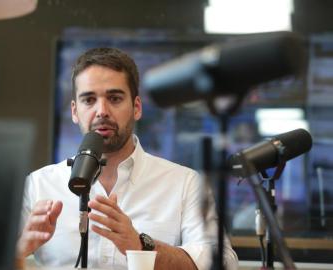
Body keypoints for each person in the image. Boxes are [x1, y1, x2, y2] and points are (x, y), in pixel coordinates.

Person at [16, 47, 238, 269]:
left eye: (114, 98)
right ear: (74, 111)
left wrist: (142, 246)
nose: (101, 111)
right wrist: (18, 250)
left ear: (137, 107)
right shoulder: (38, 185)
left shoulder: (185, 183)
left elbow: (225, 263)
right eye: (89, 100)